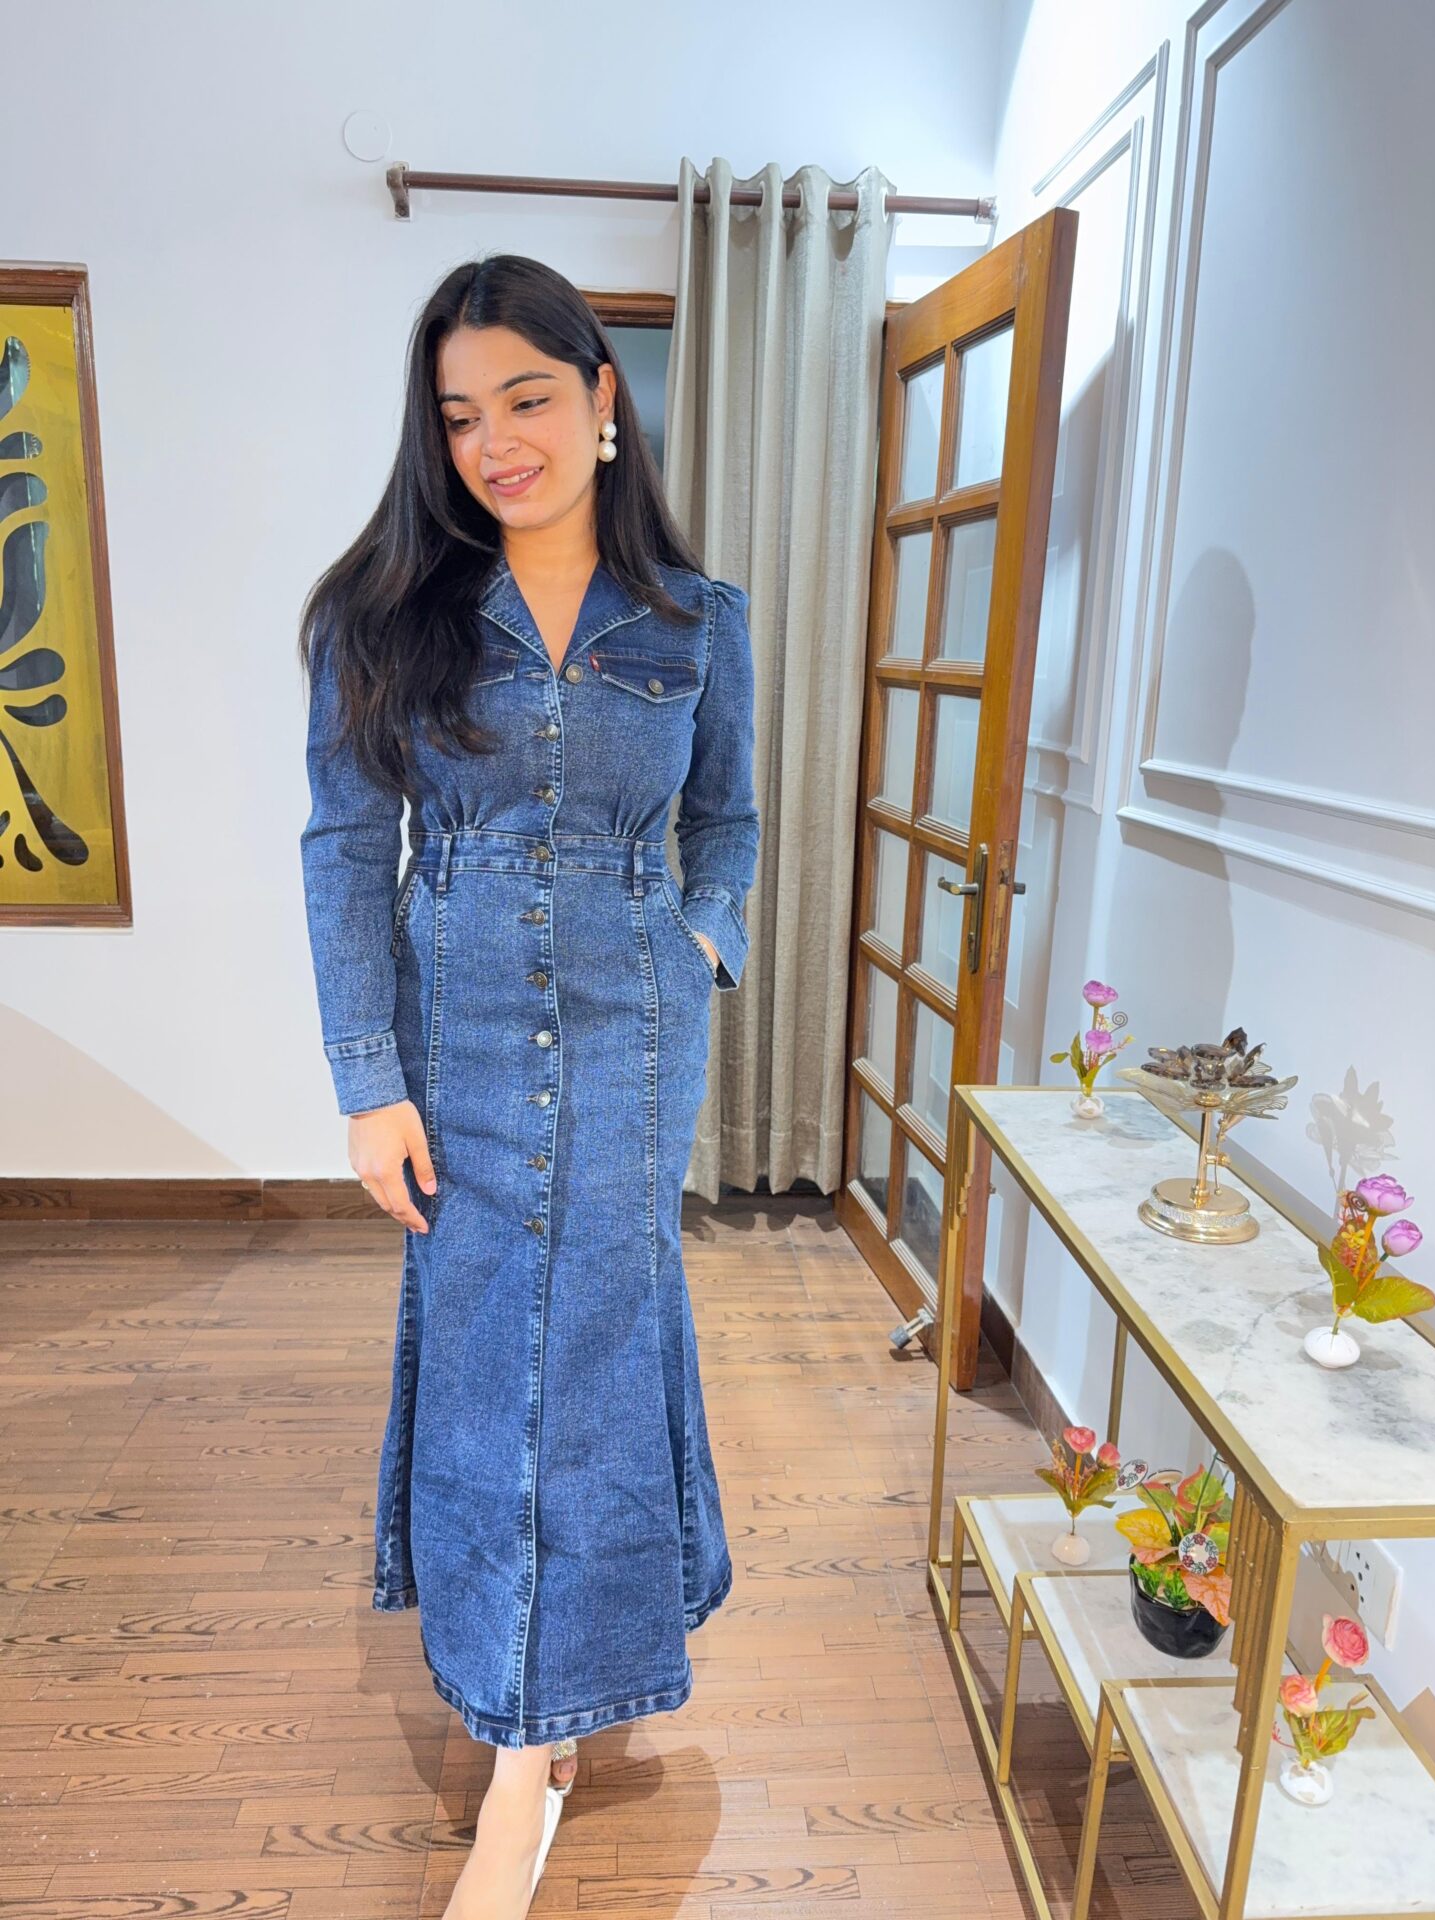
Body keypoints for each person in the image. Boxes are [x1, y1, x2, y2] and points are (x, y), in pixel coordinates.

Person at [296, 252, 760, 1919]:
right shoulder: (381, 615)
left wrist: (702, 943)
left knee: (606, 1357)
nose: (496, 442)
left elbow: (729, 824)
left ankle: (540, 1735)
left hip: (639, 1045)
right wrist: (368, 1079)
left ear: (603, 399)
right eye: (459, 415)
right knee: (498, 1369)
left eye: (527, 398)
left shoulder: (699, 624)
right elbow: (345, 847)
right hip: (459, 1054)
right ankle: (519, 1725)